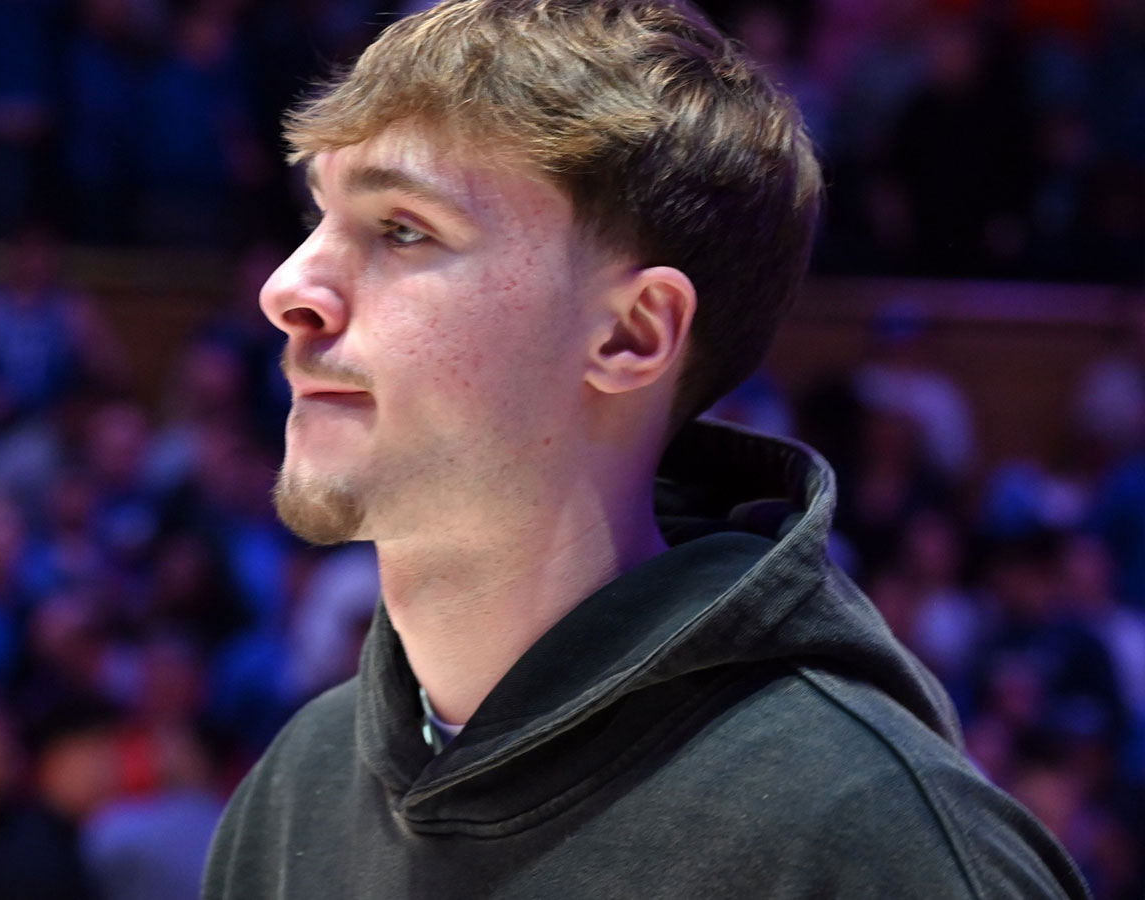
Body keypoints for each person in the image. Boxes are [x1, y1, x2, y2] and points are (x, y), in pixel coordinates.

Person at [202, 1, 1088, 898]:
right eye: (316, 213)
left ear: (630, 335)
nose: (288, 287)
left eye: (402, 228)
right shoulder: (295, 791)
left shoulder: (876, 844)